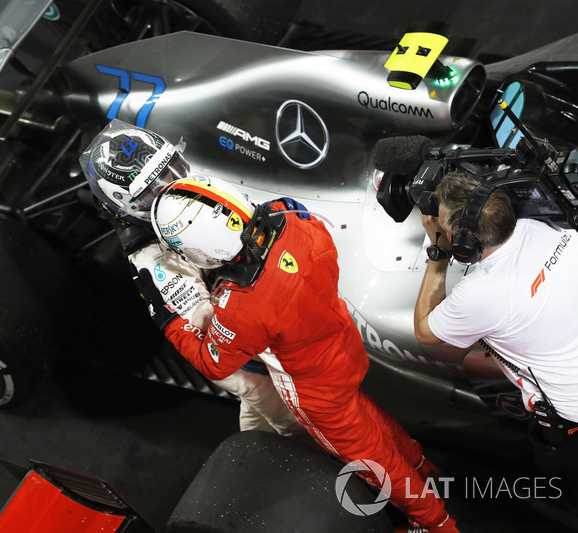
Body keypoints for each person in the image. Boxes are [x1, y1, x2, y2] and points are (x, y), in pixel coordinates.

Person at [137, 176, 457, 532]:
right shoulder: (297, 223)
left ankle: (436, 521)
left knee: (371, 461)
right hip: (346, 350)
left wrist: (168, 321)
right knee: (367, 415)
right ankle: (424, 466)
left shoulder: (239, 309)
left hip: (315, 392)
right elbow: (296, 218)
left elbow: (214, 363)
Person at [79, 119, 307, 439]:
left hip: (264, 335)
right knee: (296, 427)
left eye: (172, 170)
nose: (171, 187)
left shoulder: (194, 186)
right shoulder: (151, 259)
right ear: (128, 206)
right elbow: (211, 329)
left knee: (260, 425)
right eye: (153, 190)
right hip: (242, 360)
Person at [414, 169, 578, 501]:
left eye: (444, 224)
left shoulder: (482, 293)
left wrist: (438, 251)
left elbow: (425, 331)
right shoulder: (548, 224)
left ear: (464, 243)